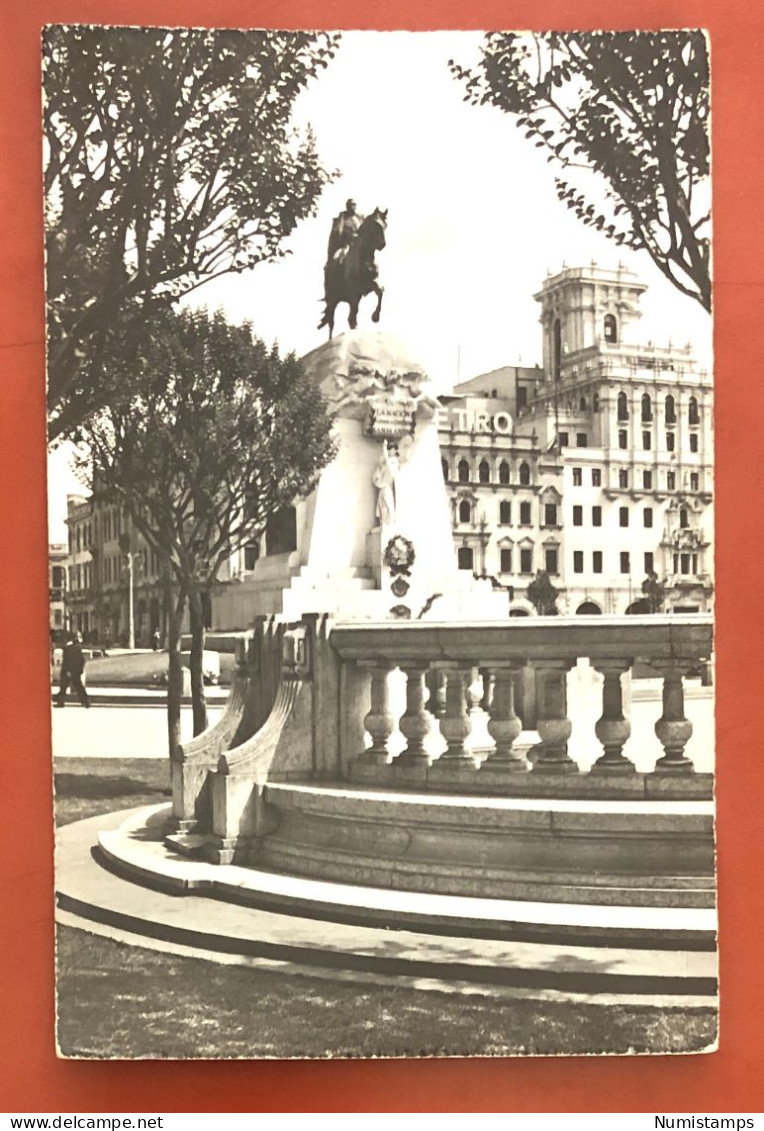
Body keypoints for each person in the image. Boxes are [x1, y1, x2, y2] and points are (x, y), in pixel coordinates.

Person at [55, 632, 90, 708]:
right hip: (76, 671)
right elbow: (82, 660)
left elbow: (67, 661)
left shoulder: (67, 649)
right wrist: (80, 670)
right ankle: (86, 701)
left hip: (67, 671)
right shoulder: (78, 648)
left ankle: (60, 702)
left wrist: (67, 670)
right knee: (79, 687)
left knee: (63, 687)